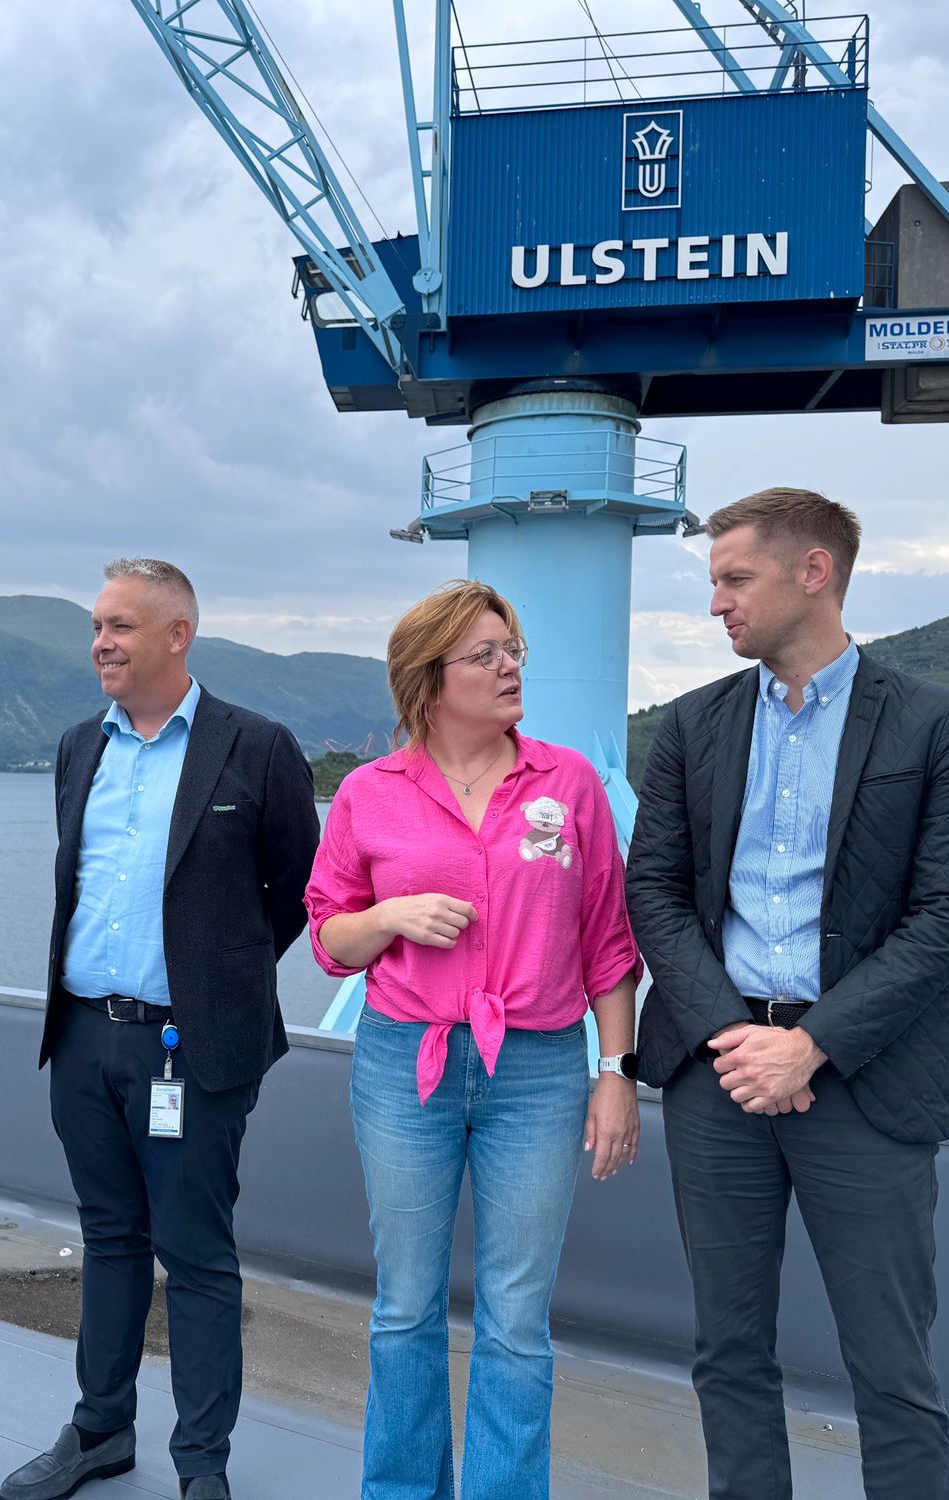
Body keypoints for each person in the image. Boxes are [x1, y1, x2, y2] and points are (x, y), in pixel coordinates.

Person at [626, 488, 949, 1499]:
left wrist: (811, 1044)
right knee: (727, 1350)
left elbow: (947, 916)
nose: (716, 602)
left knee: (891, 1365)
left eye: (734, 578)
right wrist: (734, 1037)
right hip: (718, 1079)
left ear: (813, 572)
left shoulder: (936, 724)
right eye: (714, 581)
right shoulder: (691, 724)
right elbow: (653, 893)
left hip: (868, 1083)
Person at [303, 580, 642, 1500]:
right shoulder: (369, 793)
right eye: (484, 654)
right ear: (429, 679)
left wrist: (616, 1072)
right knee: (405, 1309)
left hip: (538, 1070)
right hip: (402, 1063)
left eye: (512, 649)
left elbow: (609, 944)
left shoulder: (568, 783)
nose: (509, 667)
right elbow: (330, 937)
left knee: (517, 1321)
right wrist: (392, 917)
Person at [0, 559, 319, 1500]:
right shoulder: (77, 747)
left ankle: (201, 1466)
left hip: (193, 1050)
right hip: (82, 1038)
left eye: (121, 627)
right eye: (97, 626)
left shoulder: (255, 746)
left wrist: (214, 983)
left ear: (178, 635)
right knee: (108, 1239)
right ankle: (100, 1431)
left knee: (198, 1256)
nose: (101, 642)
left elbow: (298, 893)